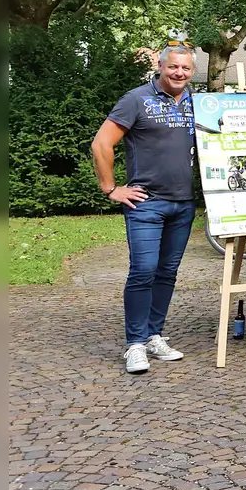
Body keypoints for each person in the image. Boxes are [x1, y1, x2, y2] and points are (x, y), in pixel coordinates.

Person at [90, 44, 197, 375]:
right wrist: (111, 189)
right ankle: (134, 344)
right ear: (161, 67)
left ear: (192, 71)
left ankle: (154, 335)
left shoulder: (197, 101)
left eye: (186, 69)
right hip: (145, 203)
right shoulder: (136, 99)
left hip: (184, 203)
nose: (179, 73)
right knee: (143, 271)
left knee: (167, 272)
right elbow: (101, 143)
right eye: (173, 67)